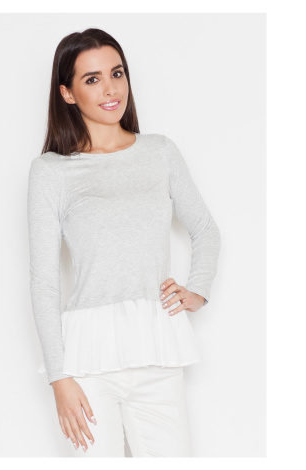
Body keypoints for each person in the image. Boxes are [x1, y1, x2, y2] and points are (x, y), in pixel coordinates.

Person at [27, 28, 221, 458]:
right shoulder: (51, 172)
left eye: (117, 73)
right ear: (68, 93)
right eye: (92, 79)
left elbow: (205, 228)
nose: (111, 88)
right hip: (87, 362)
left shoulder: (160, 152)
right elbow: (44, 281)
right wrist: (59, 378)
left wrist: (198, 289)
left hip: (157, 350)